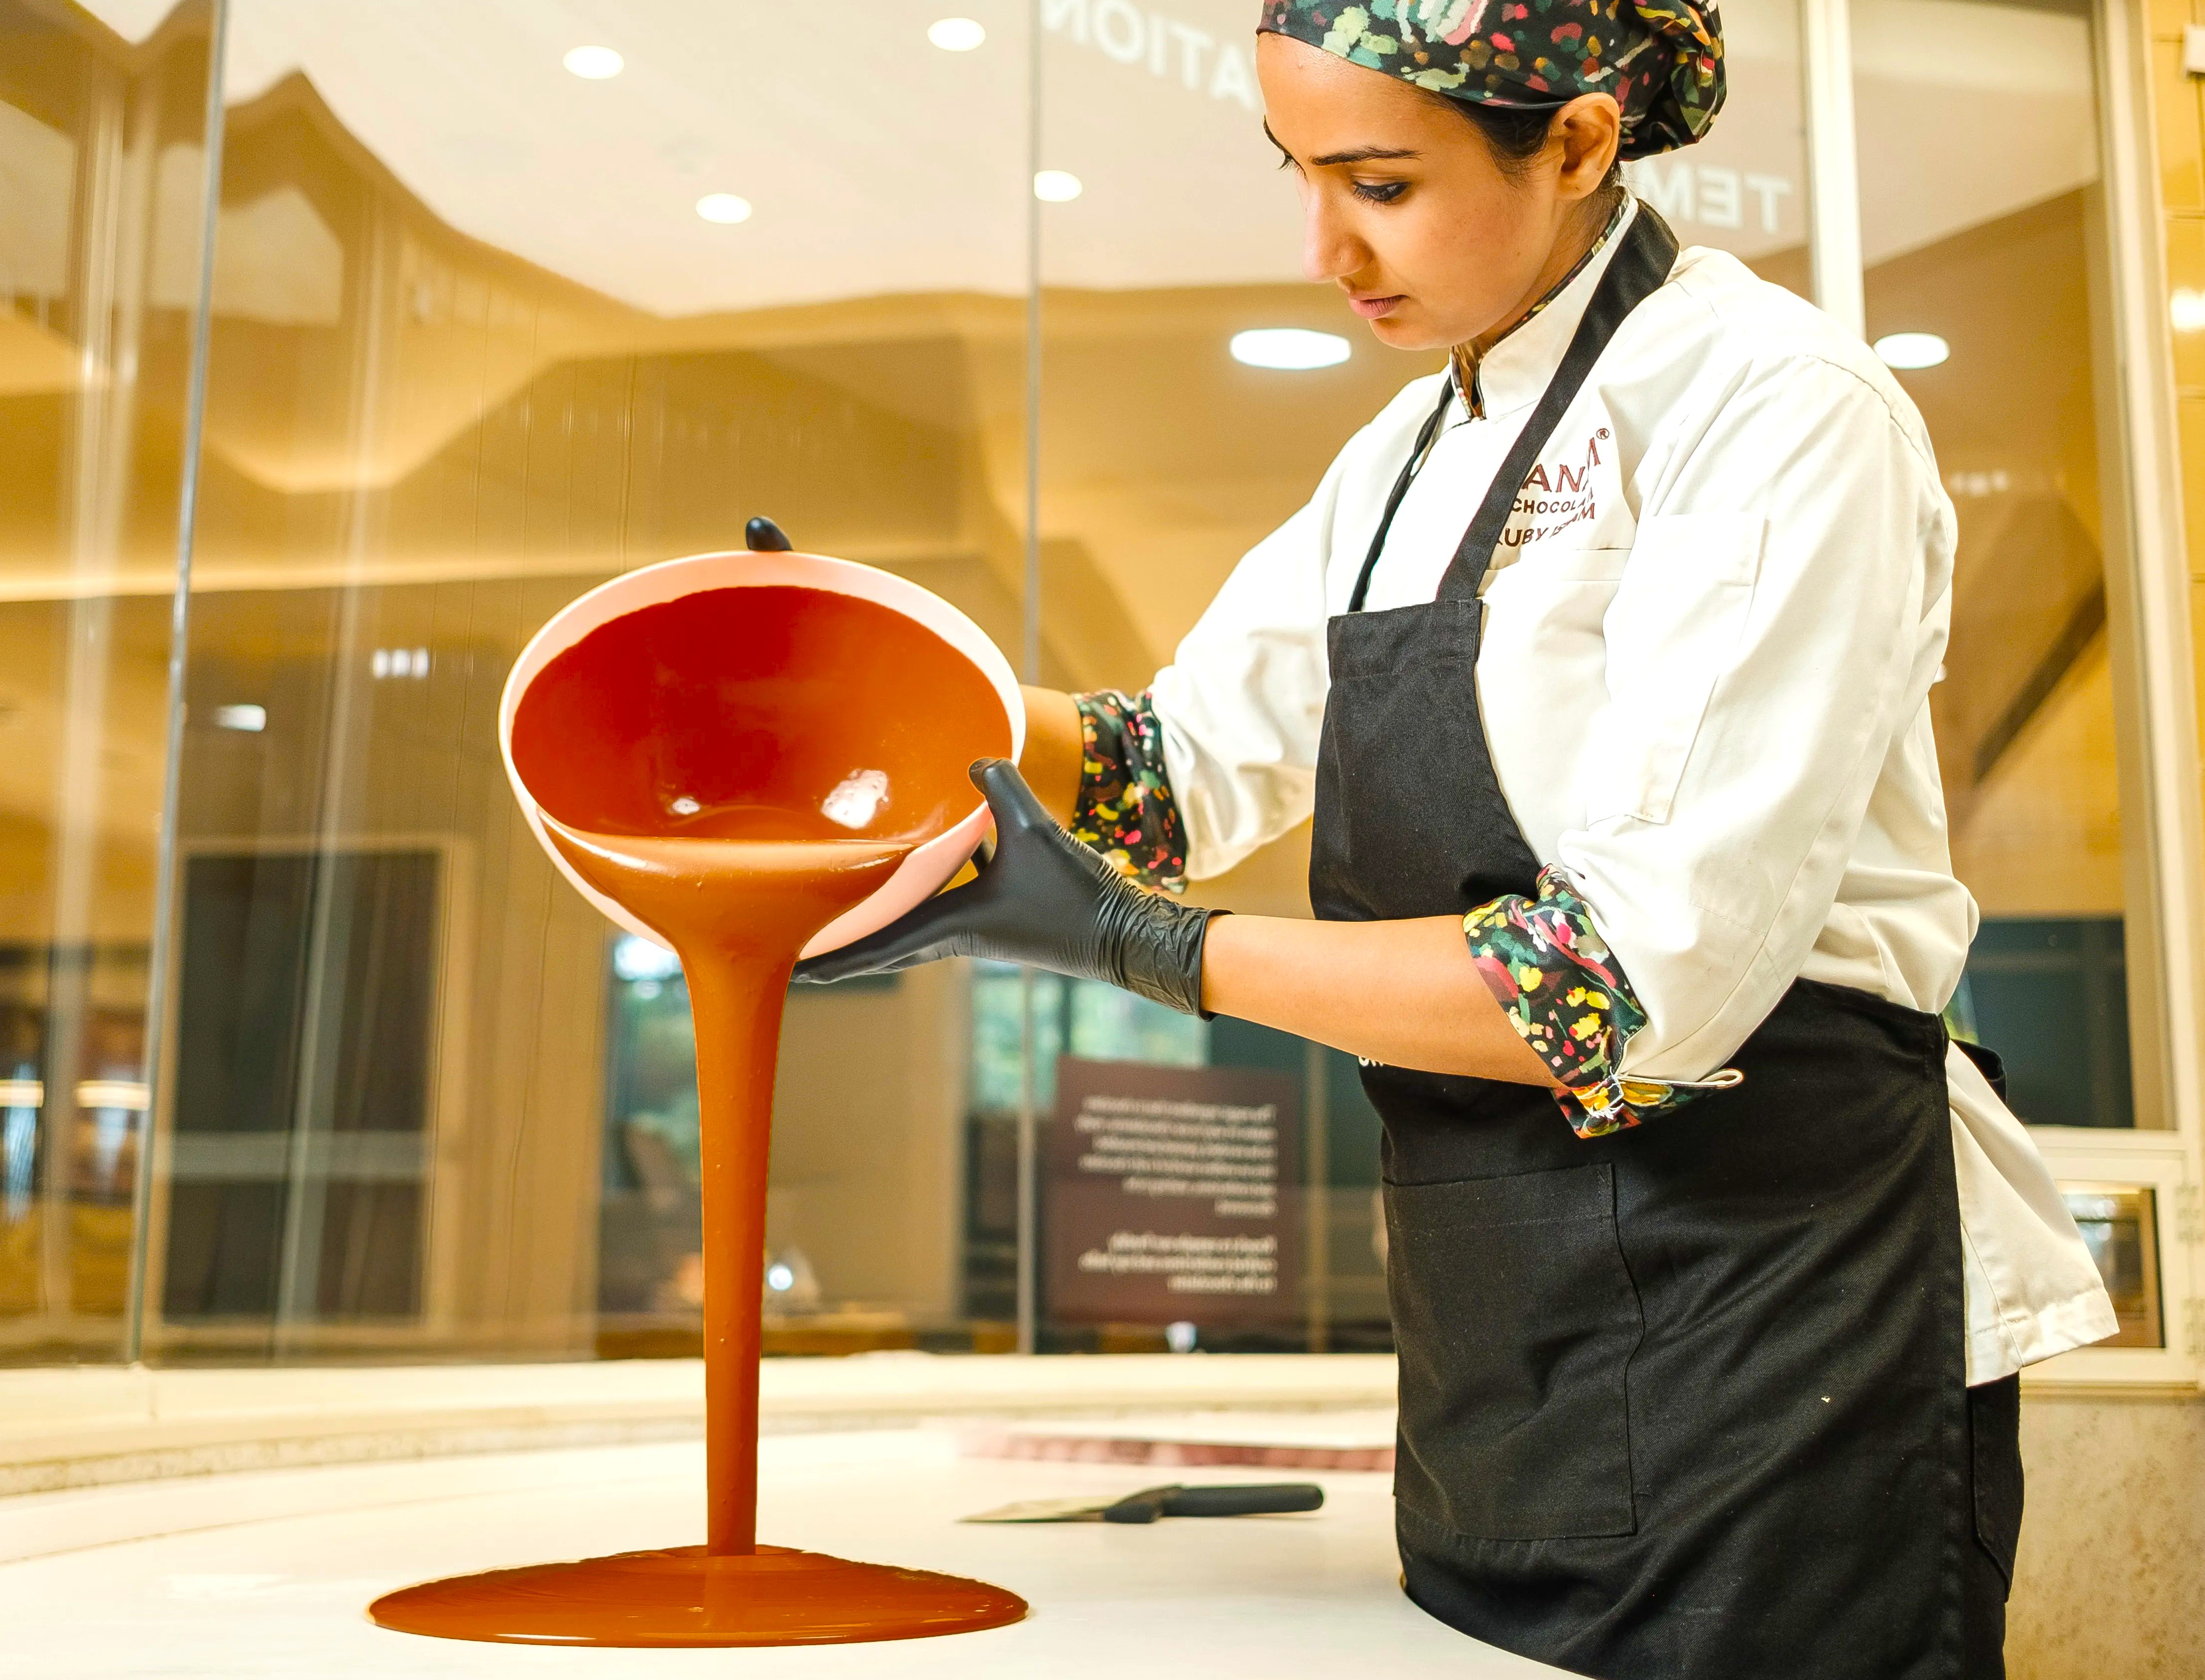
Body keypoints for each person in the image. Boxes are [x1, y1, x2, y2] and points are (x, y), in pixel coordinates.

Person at [799, 3, 2116, 1674]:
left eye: (1379, 184)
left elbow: (1627, 985)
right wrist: (884, 670)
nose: (1324, 248)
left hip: (1778, 1320)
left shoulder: (1778, 406)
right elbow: (1170, 773)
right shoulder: (1398, 462)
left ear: (1575, 141)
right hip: (1501, 1348)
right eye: (1298, 174)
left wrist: (1142, 945)